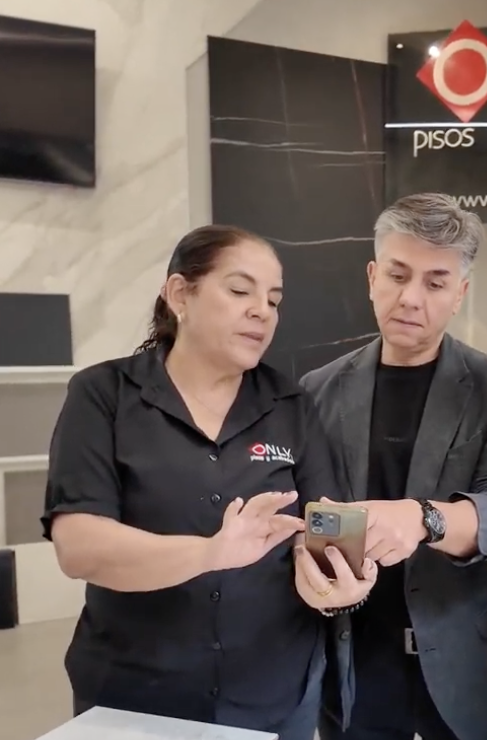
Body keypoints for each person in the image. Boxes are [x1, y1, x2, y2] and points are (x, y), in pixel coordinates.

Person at [41, 225, 375, 740]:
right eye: (240, 291)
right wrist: (209, 553)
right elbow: (79, 546)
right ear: (180, 294)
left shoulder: (291, 406)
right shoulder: (103, 395)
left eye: (274, 300)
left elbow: (324, 527)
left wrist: (340, 583)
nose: (262, 311)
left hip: (274, 694)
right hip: (136, 698)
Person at [300, 193, 487, 740]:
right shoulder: (318, 391)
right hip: (356, 665)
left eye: (435, 283)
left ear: (460, 293)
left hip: (471, 665)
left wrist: (422, 518)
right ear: (372, 278)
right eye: (397, 275)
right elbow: (310, 514)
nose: (410, 298)